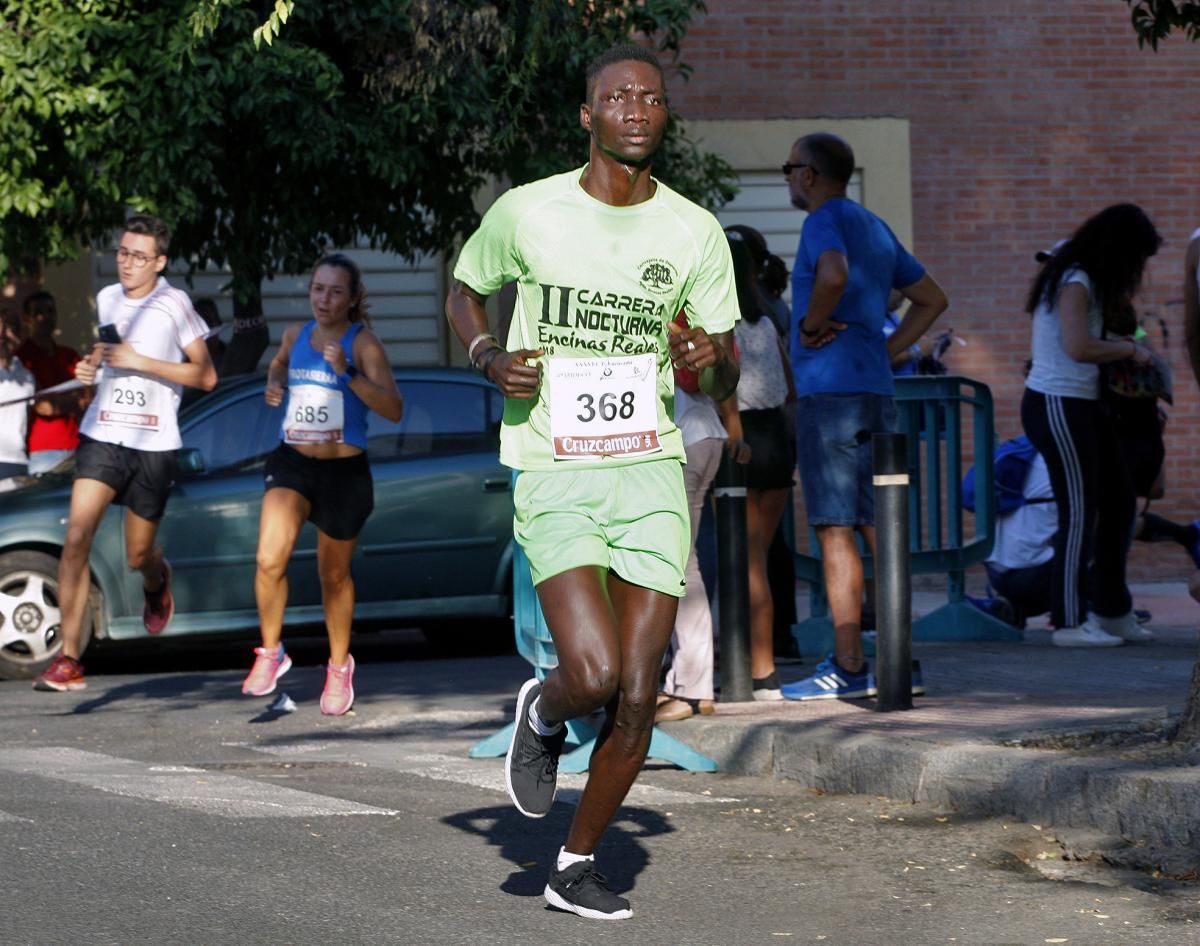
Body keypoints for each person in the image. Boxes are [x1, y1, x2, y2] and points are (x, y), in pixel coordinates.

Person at [444, 44, 739, 920]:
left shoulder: (694, 231)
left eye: (652, 99)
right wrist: (488, 354)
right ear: (589, 116)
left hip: (649, 466)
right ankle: (545, 711)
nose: (638, 112)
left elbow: (722, 371)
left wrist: (708, 363)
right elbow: (466, 287)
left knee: (642, 692)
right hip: (557, 468)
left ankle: (573, 864)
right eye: (620, 99)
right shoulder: (528, 211)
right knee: (598, 672)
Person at [779, 132, 948, 701]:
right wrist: (891, 348)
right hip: (876, 390)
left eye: (789, 168)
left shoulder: (823, 219)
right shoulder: (876, 226)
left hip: (829, 394)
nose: (787, 178)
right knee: (883, 526)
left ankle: (848, 665)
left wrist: (807, 326)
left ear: (809, 174)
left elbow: (831, 273)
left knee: (834, 529)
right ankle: (899, 662)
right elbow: (931, 297)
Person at [34, 214, 218, 691]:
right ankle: (69, 658)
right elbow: (106, 351)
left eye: (138, 256)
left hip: (153, 445)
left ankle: (157, 581)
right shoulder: (109, 297)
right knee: (76, 536)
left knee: (137, 556)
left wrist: (142, 362)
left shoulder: (174, 304)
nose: (127, 264)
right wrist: (91, 364)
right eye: (122, 253)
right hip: (104, 432)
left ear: (159, 261)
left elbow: (205, 376)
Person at [241, 254, 403, 715]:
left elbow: (394, 408)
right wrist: (274, 382)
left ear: (352, 299)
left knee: (332, 576)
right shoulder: (296, 334)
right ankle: (271, 652)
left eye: (334, 291)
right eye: (317, 289)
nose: (323, 299)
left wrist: (347, 373)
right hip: (293, 461)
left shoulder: (363, 342)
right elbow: (278, 362)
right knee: (268, 557)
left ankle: (338, 666)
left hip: (343, 472)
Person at [1020, 203, 1161, 647]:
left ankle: (1113, 609)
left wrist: (1126, 340)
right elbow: (1079, 346)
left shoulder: (1084, 270)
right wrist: (1128, 352)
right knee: (1078, 511)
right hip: (1058, 403)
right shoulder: (1076, 279)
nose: (1137, 270)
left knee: (1120, 501)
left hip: (1083, 403)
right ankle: (1068, 621)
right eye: (1136, 258)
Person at [724, 228, 795, 699]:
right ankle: (762, 666)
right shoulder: (768, 321)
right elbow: (791, 381)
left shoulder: (721, 324)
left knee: (744, 562)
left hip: (743, 439)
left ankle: (758, 667)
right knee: (759, 559)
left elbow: (721, 383)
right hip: (777, 440)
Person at [655, 374, 744, 723]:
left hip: (684, 435)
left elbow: (693, 376)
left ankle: (692, 688)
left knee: (676, 566)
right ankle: (687, 684)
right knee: (682, 563)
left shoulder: (672, 321)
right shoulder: (696, 323)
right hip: (704, 432)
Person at [17, 291, 89, 474]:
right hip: (42, 450)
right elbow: (45, 407)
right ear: (27, 318)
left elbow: (88, 398)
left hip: (76, 446)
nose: (46, 317)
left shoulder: (69, 355)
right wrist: (74, 400)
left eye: (50, 311)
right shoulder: (22, 358)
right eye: (38, 312)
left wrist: (64, 400)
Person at [0, 317, 35, 480]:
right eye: (3, 329)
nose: (6, 335)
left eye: (11, 329)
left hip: (18, 459)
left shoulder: (26, 375)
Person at [193, 298, 228, 372]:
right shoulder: (184, 361)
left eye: (208, 322)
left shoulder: (231, 358)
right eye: (199, 324)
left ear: (218, 324)